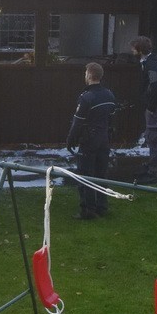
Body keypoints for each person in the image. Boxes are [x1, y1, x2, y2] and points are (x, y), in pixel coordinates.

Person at [66, 62, 117, 220]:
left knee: (85, 174)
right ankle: (102, 206)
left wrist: (70, 140)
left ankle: (88, 210)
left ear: (88, 75)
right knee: (101, 173)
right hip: (104, 138)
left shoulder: (86, 97)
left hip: (89, 140)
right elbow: (111, 118)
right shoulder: (109, 94)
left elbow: (77, 122)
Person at [130, 36, 157, 180]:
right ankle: (152, 166)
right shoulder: (147, 62)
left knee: (155, 137)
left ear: (139, 49)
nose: (131, 50)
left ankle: (153, 172)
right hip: (154, 104)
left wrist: (151, 106)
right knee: (152, 137)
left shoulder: (152, 64)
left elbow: (156, 86)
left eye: (133, 47)